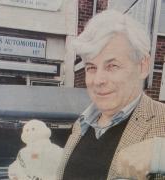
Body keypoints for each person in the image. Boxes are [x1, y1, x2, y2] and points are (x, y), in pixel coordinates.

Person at [57, 9, 165, 180]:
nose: (98, 80)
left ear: (143, 66)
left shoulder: (162, 122)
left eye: (112, 66)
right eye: (91, 67)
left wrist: (160, 154)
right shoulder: (82, 123)